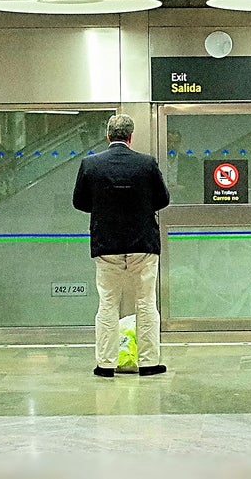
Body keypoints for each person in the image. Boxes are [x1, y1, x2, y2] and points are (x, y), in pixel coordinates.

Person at [72, 114, 170, 378]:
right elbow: (163, 199)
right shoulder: (146, 163)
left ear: (108, 135)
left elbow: (79, 202)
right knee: (146, 303)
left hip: (106, 244)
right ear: (131, 137)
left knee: (107, 303)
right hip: (143, 244)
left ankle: (105, 364)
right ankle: (149, 362)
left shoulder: (90, 164)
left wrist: (104, 208)